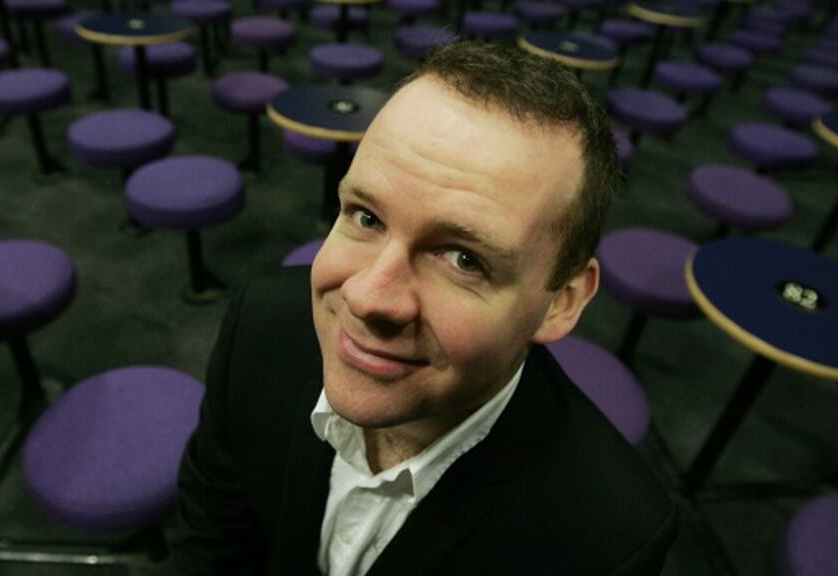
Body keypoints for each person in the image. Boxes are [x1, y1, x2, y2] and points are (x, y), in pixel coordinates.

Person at [173, 41, 677, 576]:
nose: (367, 298)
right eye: (366, 217)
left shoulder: (608, 540)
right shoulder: (260, 325)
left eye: (464, 259)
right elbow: (213, 535)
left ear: (562, 301)